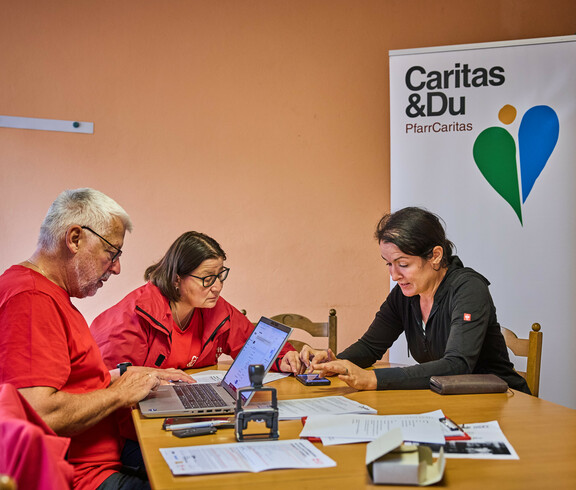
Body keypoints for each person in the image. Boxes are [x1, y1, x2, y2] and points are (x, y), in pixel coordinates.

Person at [0, 188, 193, 490]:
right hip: (84, 476)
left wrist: (131, 375)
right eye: (112, 253)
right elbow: (39, 413)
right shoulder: (32, 299)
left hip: (104, 456)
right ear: (74, 238)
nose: (116, 267)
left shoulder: (45, 292)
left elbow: (71, 382)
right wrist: (119, 393)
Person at [301, 207, 530, 394]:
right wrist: (335, 363)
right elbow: (370, 347)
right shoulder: (405, 294)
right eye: (388, 264)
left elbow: (457, 365)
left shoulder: (468, 289)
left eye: (403, 264)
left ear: (435, 256)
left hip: (504, 402)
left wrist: (372, 379)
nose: (394, 275)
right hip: (452, 402)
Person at [91, 231, 302, 375]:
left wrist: (284, 358)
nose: (217, 287)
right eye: (207, 278)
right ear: (176, 279)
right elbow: (112, 391)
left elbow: (252, 345)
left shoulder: (214, 309)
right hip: (129, 430)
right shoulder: (133, 318)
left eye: (220, 275)